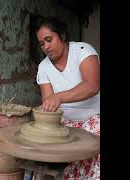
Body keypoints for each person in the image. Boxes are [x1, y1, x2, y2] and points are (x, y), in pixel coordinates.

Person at [35, 17, 100, 179]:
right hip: (65, 123)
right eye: (42, 43)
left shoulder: (83, 51)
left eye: (49, 40)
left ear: (62, 36)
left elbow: (92, 86)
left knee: (93, 146)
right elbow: (48, 105)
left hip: (94, 118)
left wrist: (59, 97)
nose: (46, 47)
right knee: (45, 152)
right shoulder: (43, 67)